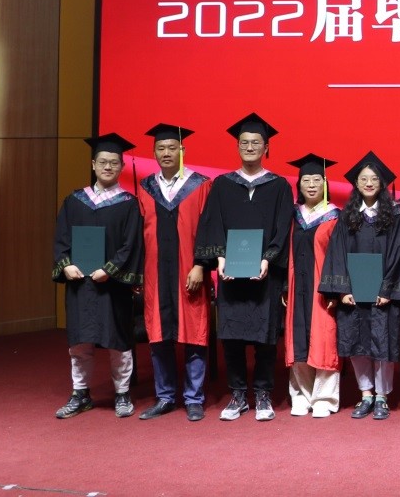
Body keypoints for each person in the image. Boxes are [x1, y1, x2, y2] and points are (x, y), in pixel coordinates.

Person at [194, 112, 294, 422]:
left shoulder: (279, 186)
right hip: (230, 274)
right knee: (232, 336)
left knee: (265, 338)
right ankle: (238, 394)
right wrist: (220, 258)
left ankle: (263, 393)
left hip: (265, 274)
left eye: (256, 143)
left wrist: (267, 259)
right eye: (244, 142)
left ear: (266, 147)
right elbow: (212, 224)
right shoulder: (223, 185)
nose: (250, 147)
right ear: (237, 146)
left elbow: (283, 228)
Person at [52, 133, 145, 419]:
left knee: (118, 341)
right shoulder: (74, 201)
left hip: (113, 285)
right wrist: (66, 265)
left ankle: (122, 393)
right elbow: (61, 238)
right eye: (103, 162)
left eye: (114, 163)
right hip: (80, 283)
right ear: (93, 164)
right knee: (79, 341)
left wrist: (110, 270)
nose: (108, 167)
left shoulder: (128, 203)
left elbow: (132, 244)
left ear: (121, 167)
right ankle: (80, 393)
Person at [319, 151, 400, 421]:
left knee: (382, 343)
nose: (369, 183)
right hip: (354, 294)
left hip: (382, 294)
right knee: (357, 343)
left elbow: (399, 252)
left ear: (382, 183)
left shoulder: (395, 215)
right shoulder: (347, 216)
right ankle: (366, 394)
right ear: (356, 183)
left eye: (374, 179)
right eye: (363, 179)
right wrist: (343, 290)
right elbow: (337, 253)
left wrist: (387, 289)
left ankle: (382, 397)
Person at [135, 124, 211, 422]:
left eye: (172, 147)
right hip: (155, 273)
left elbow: (208, 230)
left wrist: (200, 265)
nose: (166, 153)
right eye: (161, 148)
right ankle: (165, 396)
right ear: (154, 152)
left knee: (194, 333)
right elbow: (138, 234)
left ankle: (194, 398)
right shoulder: (145, 188)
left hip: (190, 271)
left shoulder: (200, 185)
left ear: (182, 150)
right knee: (158, 335)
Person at [283, 153, 342, 418]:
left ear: (325, 183)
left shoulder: (334, 216)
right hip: (297, 286)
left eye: (317, 180)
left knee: (324, 338)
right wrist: (285, 286)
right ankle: (301, 395)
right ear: (299, 184)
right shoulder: (293, 216)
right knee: (298, 338)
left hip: (323, 288)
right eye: (306, 180)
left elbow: (339, 256)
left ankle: (324, 398)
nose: (311, 185)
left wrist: (335, 289)